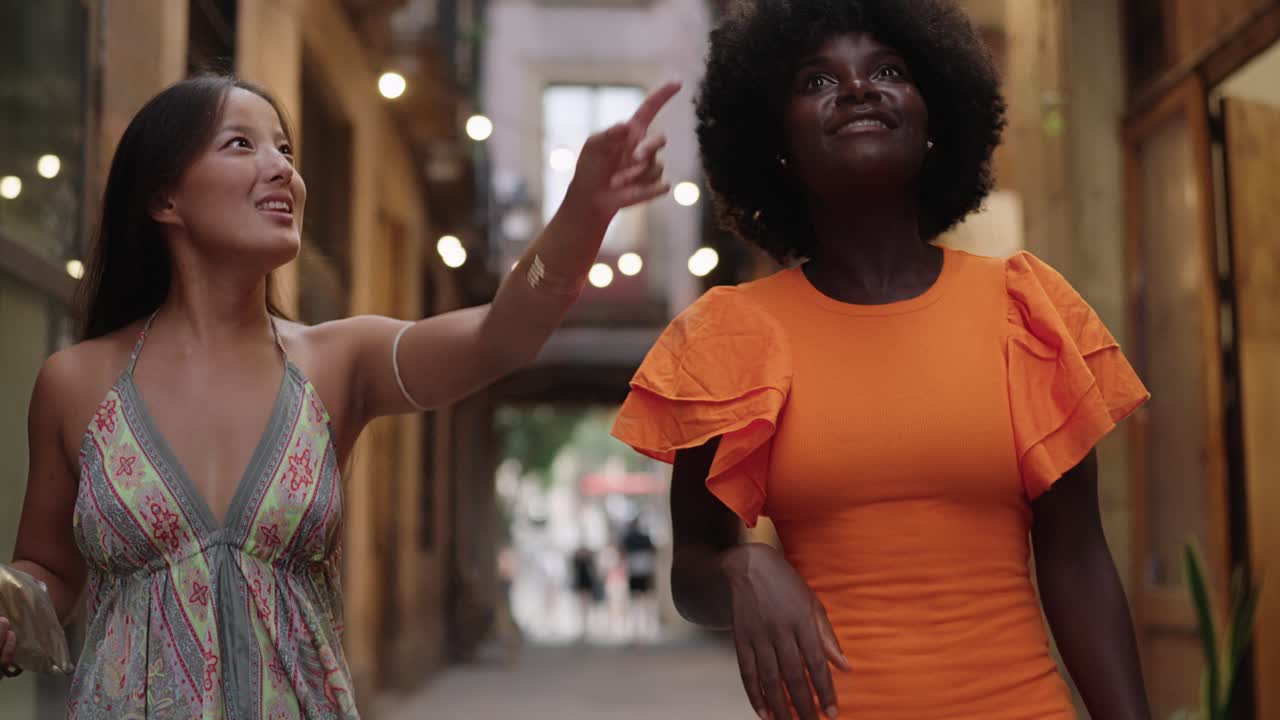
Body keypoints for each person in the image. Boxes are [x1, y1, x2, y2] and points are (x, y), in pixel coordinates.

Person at [0, 72, 678, 718]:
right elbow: (50, 572)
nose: (283, 170)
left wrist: (583, 214)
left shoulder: (338, 362)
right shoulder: (76, 382)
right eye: (242, 144)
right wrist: (12, 608)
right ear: (163, 199)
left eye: (286, 151)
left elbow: (502, 338)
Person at [611, 1, 1152, 718]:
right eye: (816, 82)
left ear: (935, 122)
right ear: (777, 143)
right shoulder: (731, 336)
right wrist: (742, 564)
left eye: (888, 71)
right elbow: (693, 572)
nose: (858, 89)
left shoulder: (1026, 308)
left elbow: (1078, 559)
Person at [619, 517, 658, 640]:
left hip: (637, 570)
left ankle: (639, 629)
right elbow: (653, 551)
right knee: (644, 600)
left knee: (637, 601)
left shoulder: (631, 538)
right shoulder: (644, 538)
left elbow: (623, 550)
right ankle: (643, 627)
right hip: (643, 570)